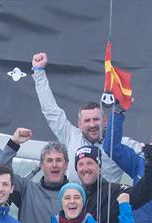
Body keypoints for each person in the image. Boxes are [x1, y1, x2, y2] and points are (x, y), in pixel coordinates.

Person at [31, 51, 136, 183]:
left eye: (96, 119)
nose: (92, 124)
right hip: (73, 202)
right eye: (87, 120)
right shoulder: (71, 135)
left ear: (104, 121)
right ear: (79, 124)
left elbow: (150, 155)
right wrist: (39, 72)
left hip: (106, 203)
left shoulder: (120, 144)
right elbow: (50, 110)